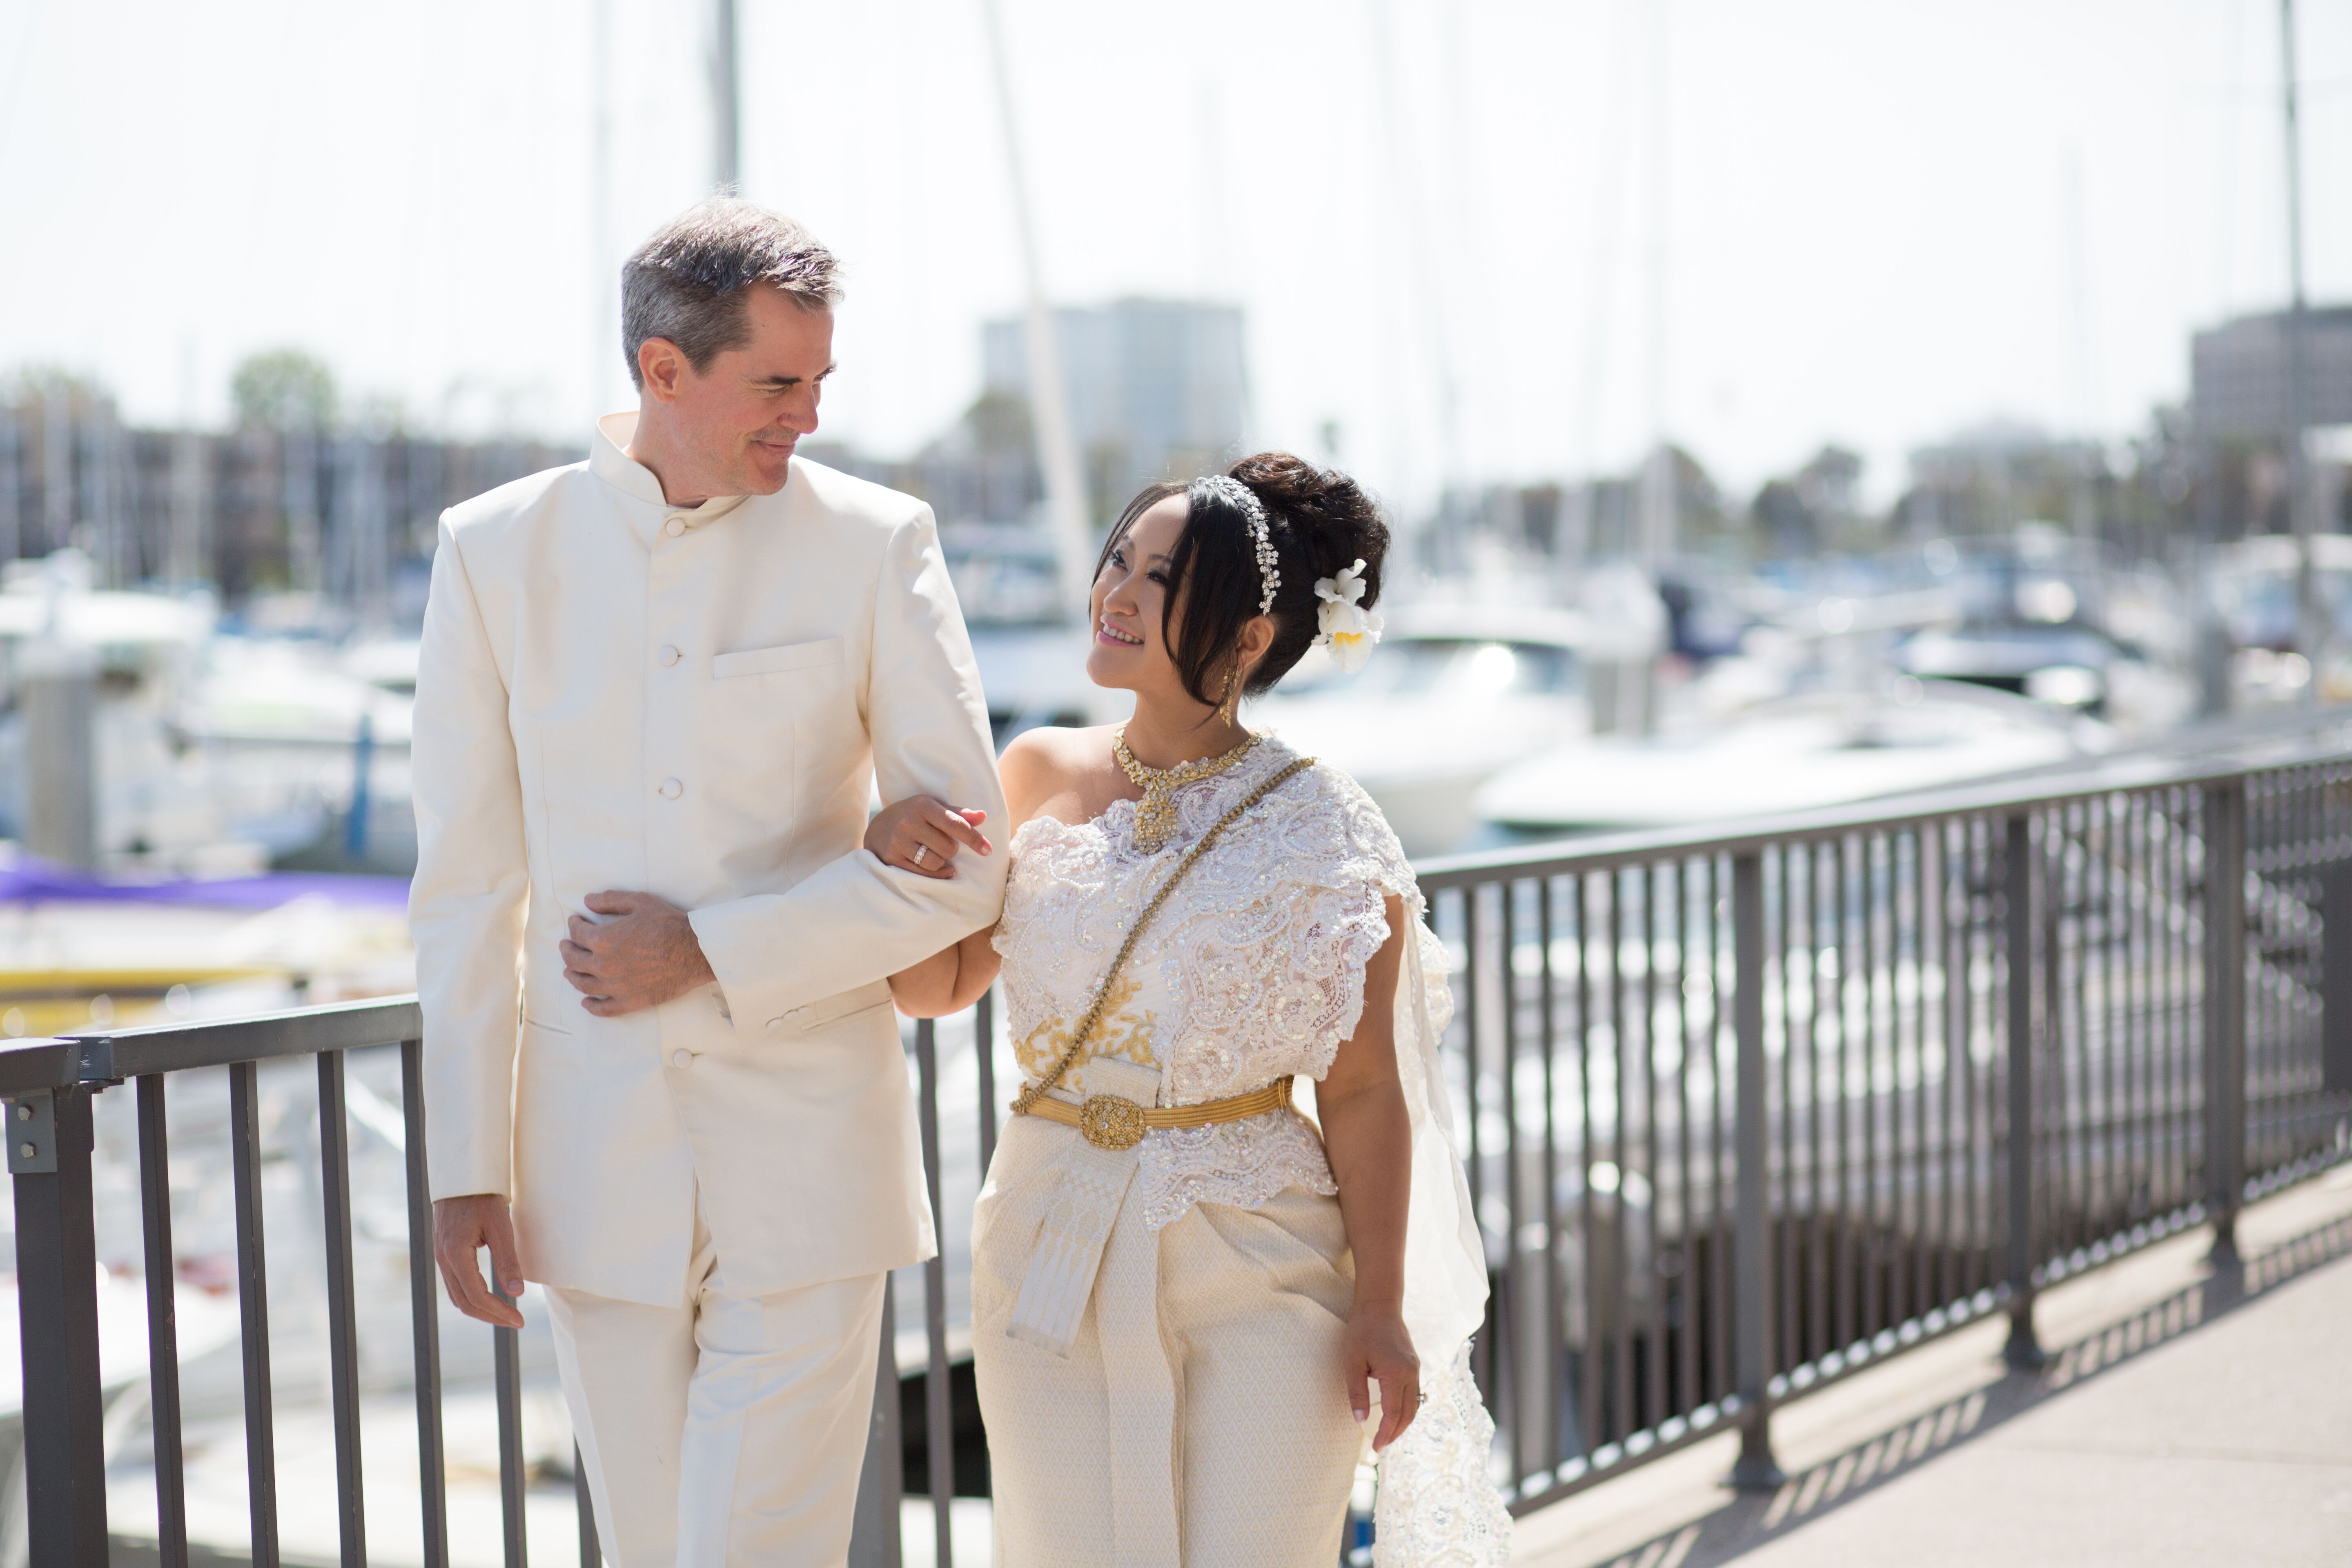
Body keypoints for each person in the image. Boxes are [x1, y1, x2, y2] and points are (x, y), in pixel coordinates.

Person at [408, 198, 1006, 1567]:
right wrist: (464, 1170)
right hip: (587, 1155)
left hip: (810, 1150)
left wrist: (712, 951)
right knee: (645, 1544)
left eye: (819, 383)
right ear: (664, 372)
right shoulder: (493, 550)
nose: (804, 417)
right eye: (776, 383)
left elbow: (969, 869)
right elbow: (464, 887)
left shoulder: (877, 541)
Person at [869, 455, 1512, 1566]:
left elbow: (1362, 1089)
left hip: (1263, 1253)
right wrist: (889, 855)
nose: (1115, 592)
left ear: (1250, 639)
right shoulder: (1032, 772)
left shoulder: (1327, 828)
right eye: (1118, 559)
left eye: (1159, 579)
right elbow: (935, 987)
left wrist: (1383, 1310)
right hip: (1047, 1239)